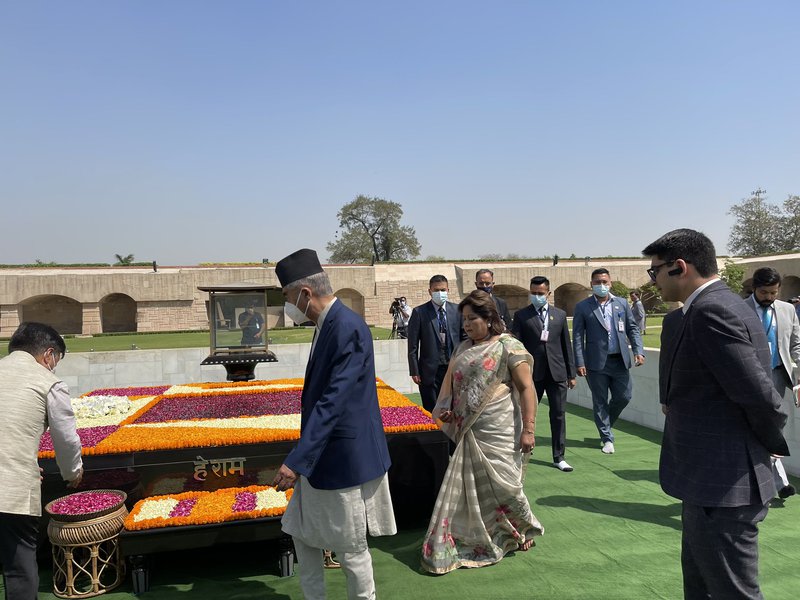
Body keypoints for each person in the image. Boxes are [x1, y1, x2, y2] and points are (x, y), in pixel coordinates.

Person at [643, 229, 788, 599]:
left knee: (732, 592)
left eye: (654, 271)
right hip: (709, 482)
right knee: (703, 588)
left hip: (725, 484)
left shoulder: (712, 310)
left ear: (679, 268)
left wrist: (764, 445)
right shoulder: (712, 307)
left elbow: (760, 396)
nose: (653, 280)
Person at [271, 248, 396, 600]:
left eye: (287, 297)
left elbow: (332, 402)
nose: (287, 305)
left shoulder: (346, 327)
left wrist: (297, 460)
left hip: (342, 458)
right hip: (320, 456)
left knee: (350, 546)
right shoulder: (327, 324)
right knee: (301, 533)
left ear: (305, 293)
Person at [421, 290, 544, 574]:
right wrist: (450, 411)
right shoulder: (462, 348)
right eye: (463, 319)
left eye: (471, 318)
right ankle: (480, 534)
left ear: (489, 319)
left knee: (506, 482)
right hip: (470, 427)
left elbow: (527, 389)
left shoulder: (508, 346)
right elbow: (455, 388)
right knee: (474, 484)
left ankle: (521, 529)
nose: (466, 324)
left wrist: (529, 430)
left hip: (500, 426)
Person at [0, 322, 83, 600]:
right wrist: (73, 473)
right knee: (19, 567)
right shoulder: (47, 381)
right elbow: (66, 439)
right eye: (56, 360)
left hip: (12, 474)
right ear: (49, 354)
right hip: (10, 491)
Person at [572, 268, 645, 454]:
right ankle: (607, 438)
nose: (601, 285)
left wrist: (638, 350)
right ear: (591, 284)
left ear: (610, 283)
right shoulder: (583, 307)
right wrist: (579, 362)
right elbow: (578, 336)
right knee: (600, 401)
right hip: (595, 363)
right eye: (597, 282)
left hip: (619, 360)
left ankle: (605, 425)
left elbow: (633, 328)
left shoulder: (621, 303)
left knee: (624, 396)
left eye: (604, 282)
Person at [512, 276, 577, 472]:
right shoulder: (522, 316)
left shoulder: (559, 315)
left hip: (557, 372)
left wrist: (571, 373)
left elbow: (567, 345)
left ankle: (559, 456)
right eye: (534, 293)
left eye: (541, 293)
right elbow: (516, 346)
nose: (537, 296)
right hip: (531, 374)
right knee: (526, 413)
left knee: (558, 414)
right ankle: (522, 450)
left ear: (548, 294)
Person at [745, 266, 799, 500]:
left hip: (778, 375)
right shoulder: (739, 309)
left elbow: (796, 344)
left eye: (774, 293)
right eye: (765, 292)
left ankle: (777, 481)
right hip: (749, 378)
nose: (769, 297)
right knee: (761, 427)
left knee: (773, 426)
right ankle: (779, 482)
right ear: (755, 288)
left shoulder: (788, 310)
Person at [407, 275, 465, 412]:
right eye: (436, 290)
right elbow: (413, 345)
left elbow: (464, 338)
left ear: (448, 290)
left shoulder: (457, 310)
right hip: (429, 369)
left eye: (443, 290)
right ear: (430, 291)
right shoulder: (419, 312)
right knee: (431, 409)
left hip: (452, 366)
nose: (440, 293)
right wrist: (414, 370)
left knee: (454, 407)